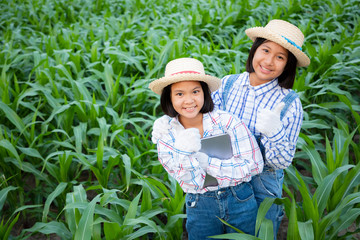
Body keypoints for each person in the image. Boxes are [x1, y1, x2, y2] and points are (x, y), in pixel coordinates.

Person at [211, 19, 310, 238]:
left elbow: (282, 161)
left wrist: (273, 132)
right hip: (221, 176)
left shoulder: (290, 103)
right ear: (254, 50)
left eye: (280, 57)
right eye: (265, 50)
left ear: (288, 65)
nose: (269, 61)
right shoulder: (228, 84)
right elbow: (205, 126)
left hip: (261, 186)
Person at [149, 57, 264, 239]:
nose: (188, 100)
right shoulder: (166, 136)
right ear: (169, 98)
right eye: (179, 94)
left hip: (240, 199)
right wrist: (183, 152)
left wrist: (206, 163)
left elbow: (254, 165)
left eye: (195, 91)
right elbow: (191, 182)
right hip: (200, 206)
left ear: (204, 93)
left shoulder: (228, 122)